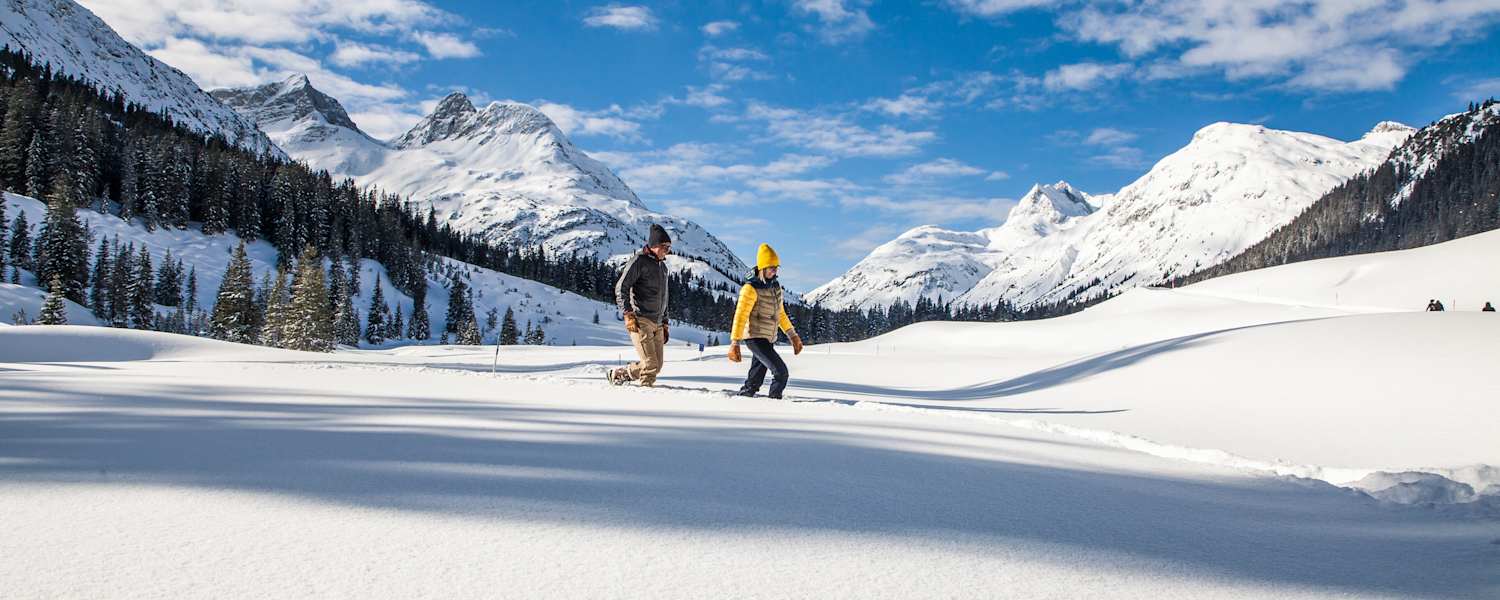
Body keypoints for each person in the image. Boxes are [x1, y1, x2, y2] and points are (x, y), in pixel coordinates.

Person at [728, 243, 803, 399]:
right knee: (781, 372)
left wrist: (792, 335)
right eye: (771, 267)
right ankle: (774, 401)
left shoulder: (775, 287)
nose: (774, 270)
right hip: (754, 337)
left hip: (768, 337)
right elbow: (740, 316)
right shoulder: (750, 288)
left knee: (755, 378)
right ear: (762, 267)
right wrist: (735, 343)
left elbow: (780, 314)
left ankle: (746, 394)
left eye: (776, 267)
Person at [609, 225, 672, 387]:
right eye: (665, 247)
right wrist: (628, 314)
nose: (667, 251)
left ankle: (620, 374)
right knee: (650, 364)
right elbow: (621, 287)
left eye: (669, 247)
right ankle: (645, 393)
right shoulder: (639, 261)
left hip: (658, 323)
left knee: (657, 365)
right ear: (655, 245)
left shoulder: (663, 268)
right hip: (641, 319)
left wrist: (665, 322)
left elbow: (664, 297)